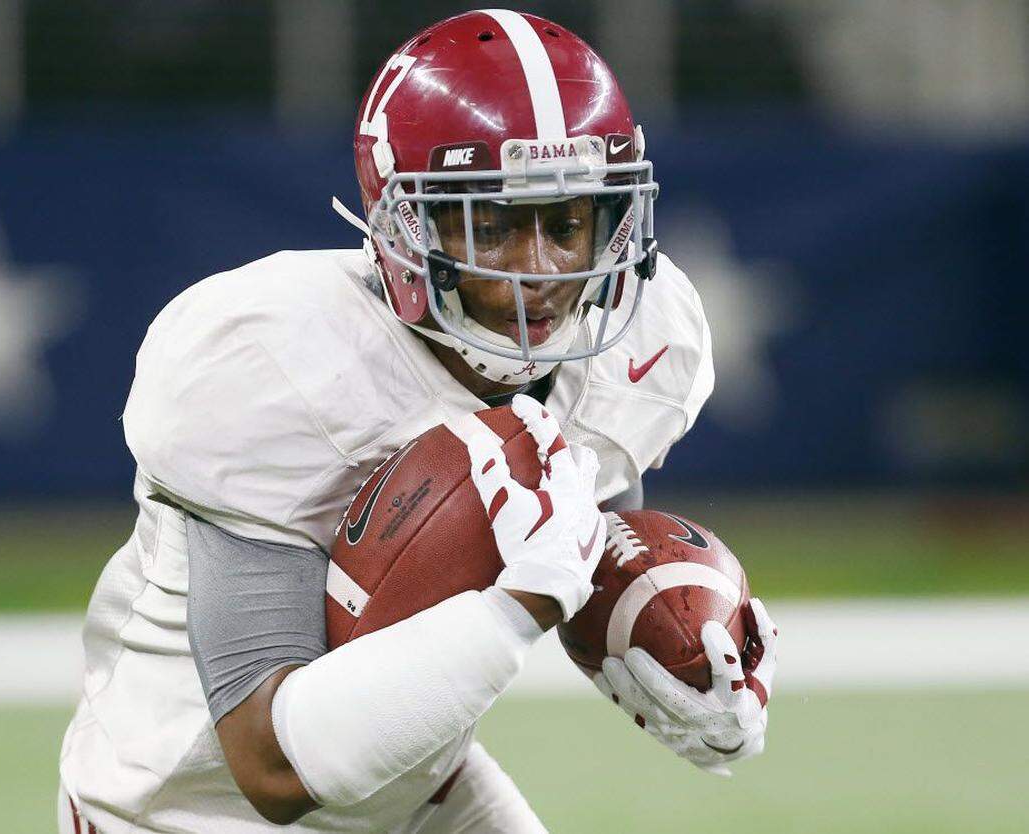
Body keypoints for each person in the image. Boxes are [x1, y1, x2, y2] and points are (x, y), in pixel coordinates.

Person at [58, 10, 777, 833]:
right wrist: (521, 607)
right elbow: (271, 766)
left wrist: (667, 641)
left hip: (413, 782)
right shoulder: (278, 363)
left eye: (566, 223)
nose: (538, 270)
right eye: (492, 226)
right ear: (405, 229)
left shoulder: (642, 342)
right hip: (186, 809)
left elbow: (570, 539)